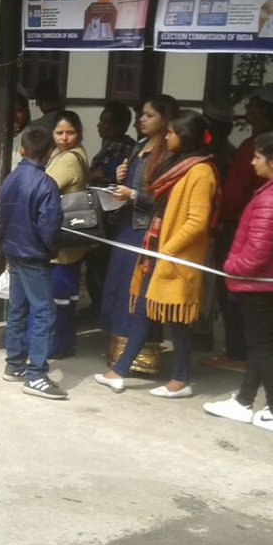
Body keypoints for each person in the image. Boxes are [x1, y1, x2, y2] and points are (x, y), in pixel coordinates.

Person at [94, 110, 218, 398]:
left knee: (175, 317)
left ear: (184, 137)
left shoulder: (201, 172)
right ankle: (122, 371)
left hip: (176, 257)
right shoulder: (179, 166)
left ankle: (179, 378)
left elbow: (197, 222)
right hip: (159, 250)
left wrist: (169, 250)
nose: (168, 137)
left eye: (172, 133)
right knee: (145, 309)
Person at [203, 131, 273, 434]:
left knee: (261, 347)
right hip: (265, 282)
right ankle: (244, 401)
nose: (252, 162)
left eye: (257, 157)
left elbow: (258, 252)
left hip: (258, 283)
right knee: (259, 344)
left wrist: (231, 267)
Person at [206, 82, 273, 371]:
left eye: (252, 107)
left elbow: (234, 192)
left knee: (233, 291)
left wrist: (217, 221)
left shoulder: (252, 147)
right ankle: (248, 351)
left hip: (238, 228)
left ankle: (238, 352)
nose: (247, 111)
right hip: (263, 232)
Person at [98, 94, 179, 376]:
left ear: (165, 119)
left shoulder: (168, 153)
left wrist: (133, 193)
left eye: (148, 115)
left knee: (136, 292)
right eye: (141, 114)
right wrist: (122, 176)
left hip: (145, 229)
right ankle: (117, 350)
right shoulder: (140, 146)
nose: (141, 120)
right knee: (119, 288)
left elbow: (165, 197)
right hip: (125, 226)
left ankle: (140, 356)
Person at [0, 125, 66, 399]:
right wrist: (51, 249)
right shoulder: (46, 184)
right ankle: (36, 374)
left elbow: (1, 218)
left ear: (22, 150)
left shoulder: (11, 178)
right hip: (33, 254)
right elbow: (49, 227)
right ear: (49, 153)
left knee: (17, 308)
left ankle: (14, 364)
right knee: (44, 313)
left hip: (12, 250)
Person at [42, 111, 91, 359]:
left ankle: (55, 346)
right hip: (71, 241)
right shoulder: (65, 154)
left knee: (58, 298)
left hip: (62, 241)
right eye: (59, 133)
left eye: (69, 132)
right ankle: (64, 344)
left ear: (79, 133)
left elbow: (45, 187)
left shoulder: (70, 159)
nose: (64, 138)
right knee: (66, 298)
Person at [84, 101, 134, 318]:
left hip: (108, 214)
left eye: (104, 122)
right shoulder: (122, 145)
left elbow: (96, 174)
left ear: (117, 126)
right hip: (110, 213)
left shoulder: (118, 148)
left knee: (99, 263)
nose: (99, 126)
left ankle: (102, 309)